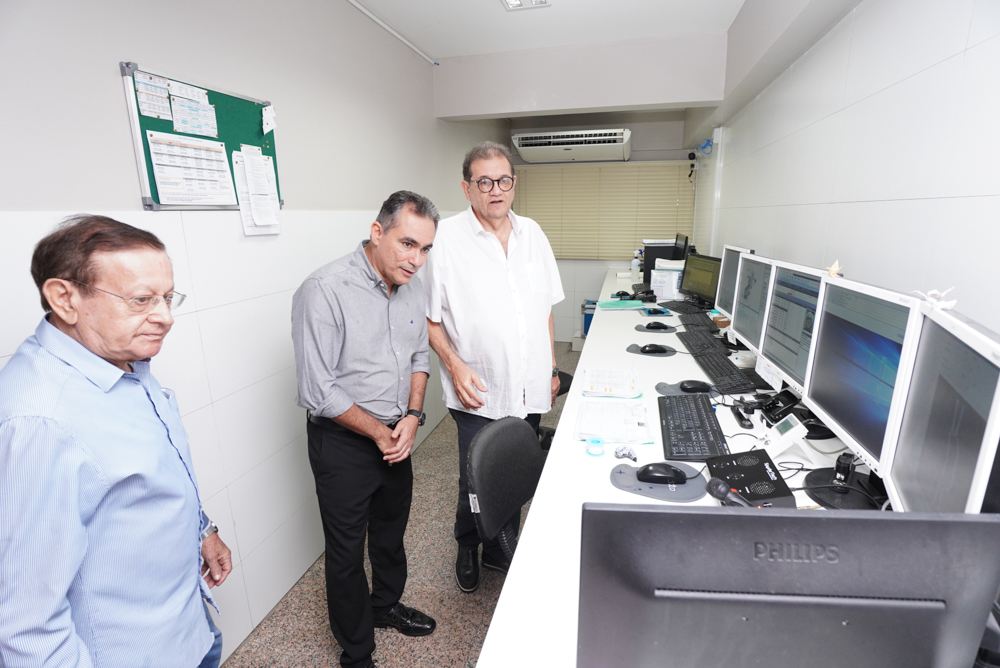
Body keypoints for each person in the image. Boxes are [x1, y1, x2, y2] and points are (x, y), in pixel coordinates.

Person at [0, 215, 232, 668]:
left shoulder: (119, 355)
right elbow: (28, 628)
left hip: (187, 627)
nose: (165, 317)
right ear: (65, 298)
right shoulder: (39, 422)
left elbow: (147, 468)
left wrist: (201, 530)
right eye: (141, 299)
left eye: (167, 298)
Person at [292, 191, 439, 668]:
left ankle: (385, 606)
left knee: (391, 533)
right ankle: (357, 652)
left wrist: (413, 418)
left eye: (425, 250)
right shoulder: (324, 289)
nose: (416, 260)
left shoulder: (411, 284)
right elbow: (320, 390)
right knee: (346, 552)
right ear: (377, 233)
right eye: (407, 244)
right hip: (345, 442)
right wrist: (379, 433)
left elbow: (420, 355)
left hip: (399, 434)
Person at [423, 141, 564, 593]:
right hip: (478, 388)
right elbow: (428, 320)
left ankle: (500, 547)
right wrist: (454, 365)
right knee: (476, 477)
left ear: (513, 184)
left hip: (529, 384)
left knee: (517, 468)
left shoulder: (534, 234)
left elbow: (544, 308)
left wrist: (552, 365)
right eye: (484, 182)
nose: (495, 190)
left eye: (503, 180)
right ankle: (467, 543)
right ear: (467, 188)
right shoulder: (445, 240)